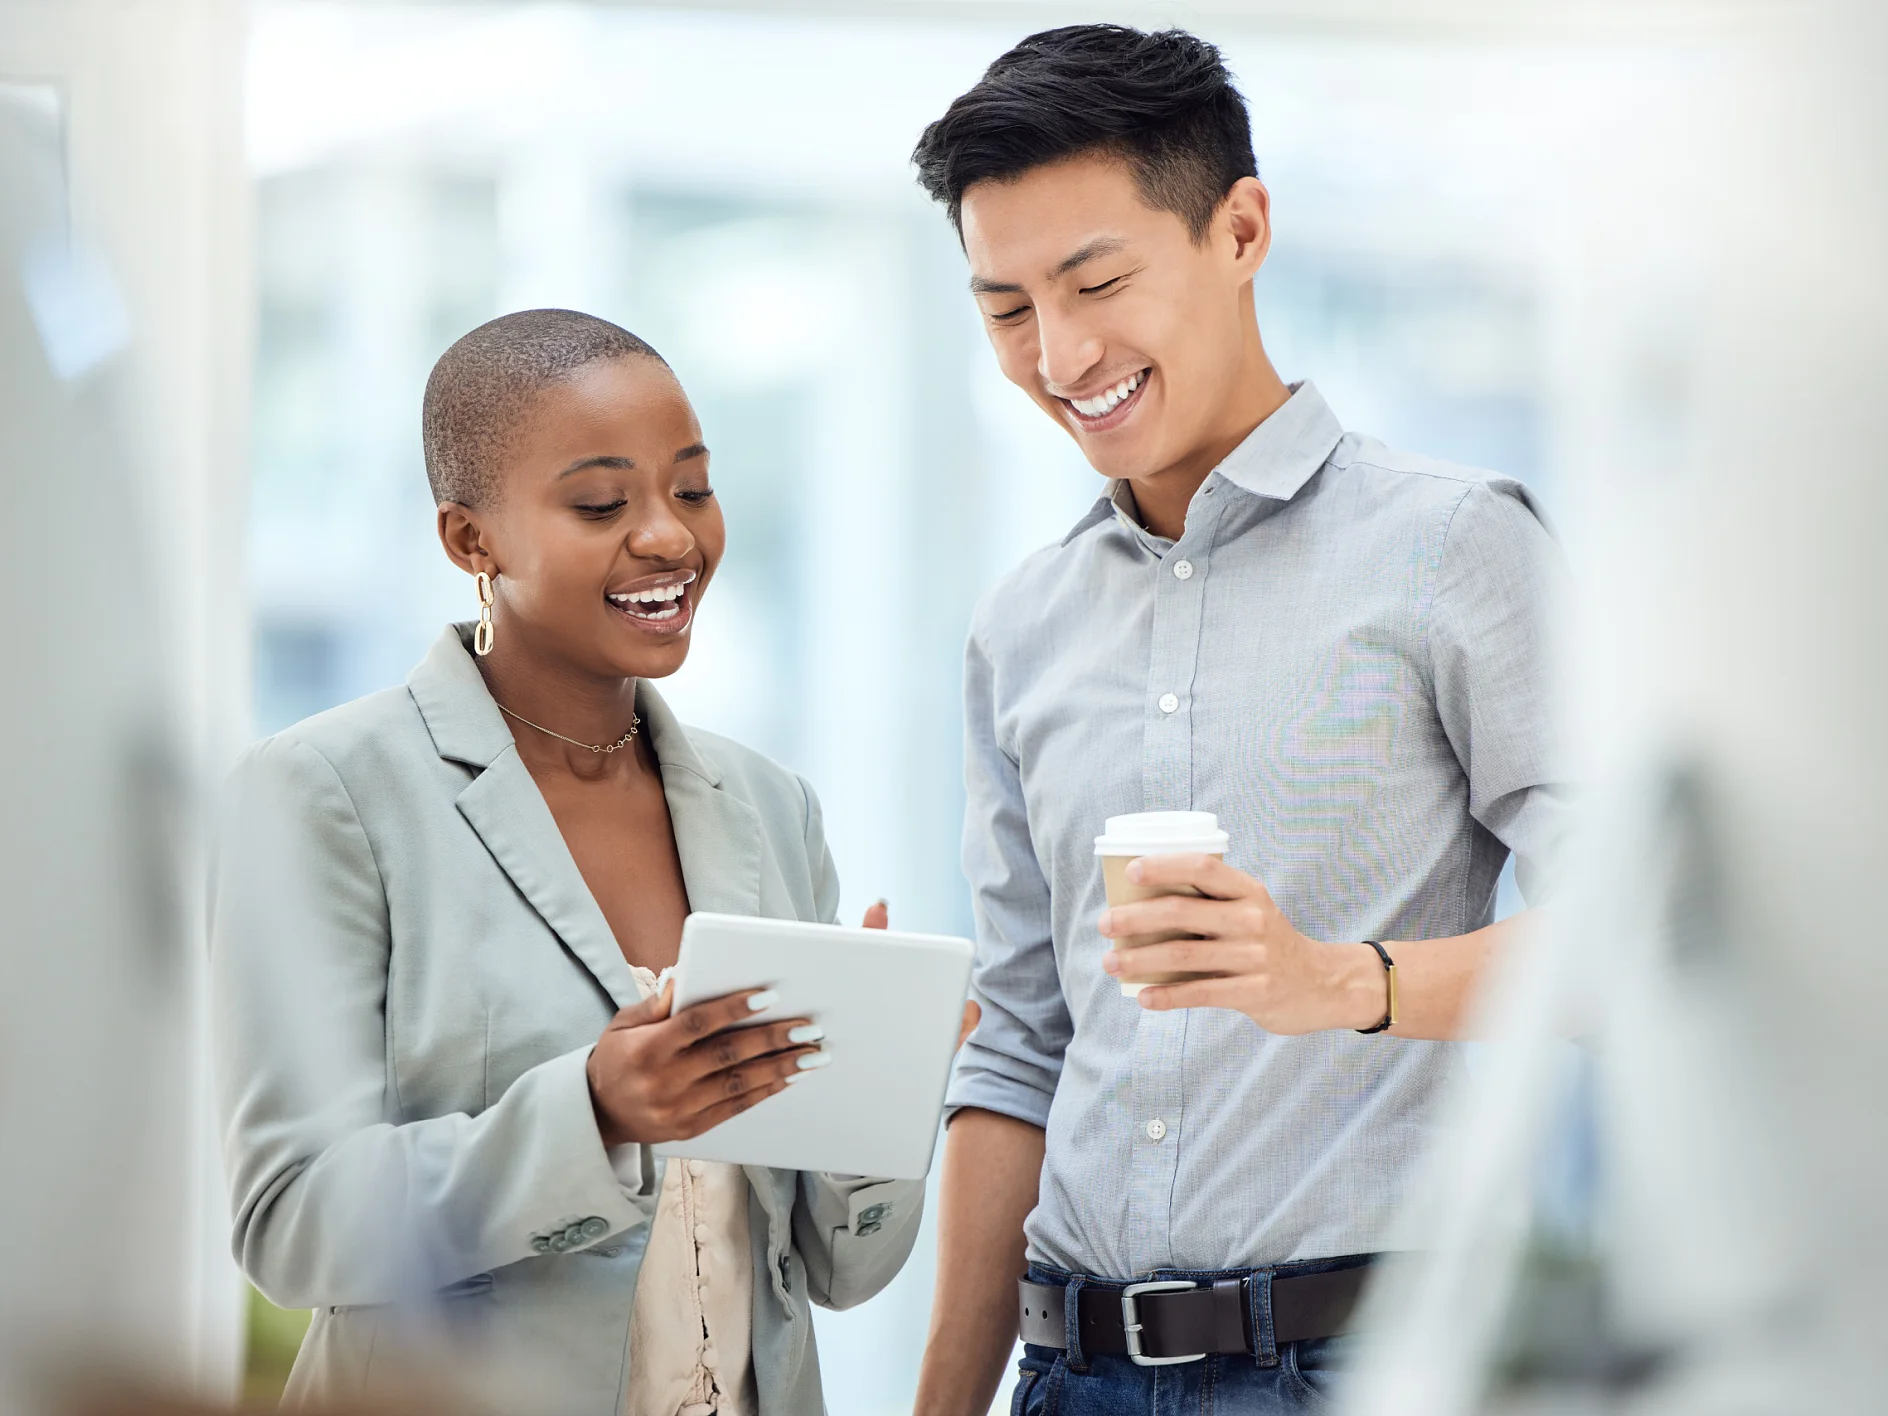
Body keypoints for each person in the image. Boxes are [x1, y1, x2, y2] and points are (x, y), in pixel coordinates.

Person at [908, 25, 1565, 1416]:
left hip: (1346, 1367)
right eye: (1007, 307)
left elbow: (1629, 941)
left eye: (1098, 281)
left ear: (1242, 228)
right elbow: (1020, 1044)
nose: (1061, 352)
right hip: (1063, 1372)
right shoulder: (1023, 622)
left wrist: (1338, 981)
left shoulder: (1456, 544)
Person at [211, 309, 924, 1415]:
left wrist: (880, 1086)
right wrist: (594, 1113)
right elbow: (293, 1224)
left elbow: (843, 1272)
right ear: (469, 540)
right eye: (602, 504)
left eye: (691, 489)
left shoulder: (772, 807)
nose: (669, 538)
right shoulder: (325, 793)